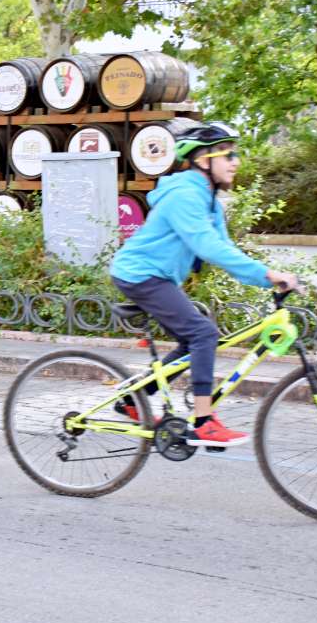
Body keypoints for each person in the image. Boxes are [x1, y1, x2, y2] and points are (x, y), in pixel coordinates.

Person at [110, 120, 298, 447]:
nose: (236, 162)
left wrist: (266, 278)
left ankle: (132, 399)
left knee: (192, 341)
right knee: (203, 333)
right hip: (140, 274)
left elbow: (221, 250)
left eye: (236, 155)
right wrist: (269, 274)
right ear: (203, 160)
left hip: (157, 276)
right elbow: (206, 245)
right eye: (229, 155)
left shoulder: (208, 199)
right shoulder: (185, 195)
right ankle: (203, 421)